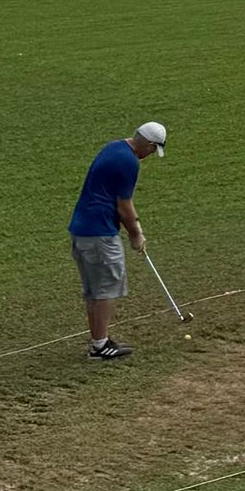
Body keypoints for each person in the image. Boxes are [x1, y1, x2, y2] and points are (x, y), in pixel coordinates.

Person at [68, 120, 166, 362]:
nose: (151, 155)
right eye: (153, 150)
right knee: (106, 289)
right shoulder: (128, 162)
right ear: (150, 145)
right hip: (99, 233)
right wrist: (136, 234)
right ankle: (100, 347)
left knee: (94, 290)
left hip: (82, 229)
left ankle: (98, 341)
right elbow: (124, 206)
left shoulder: (114, 147)